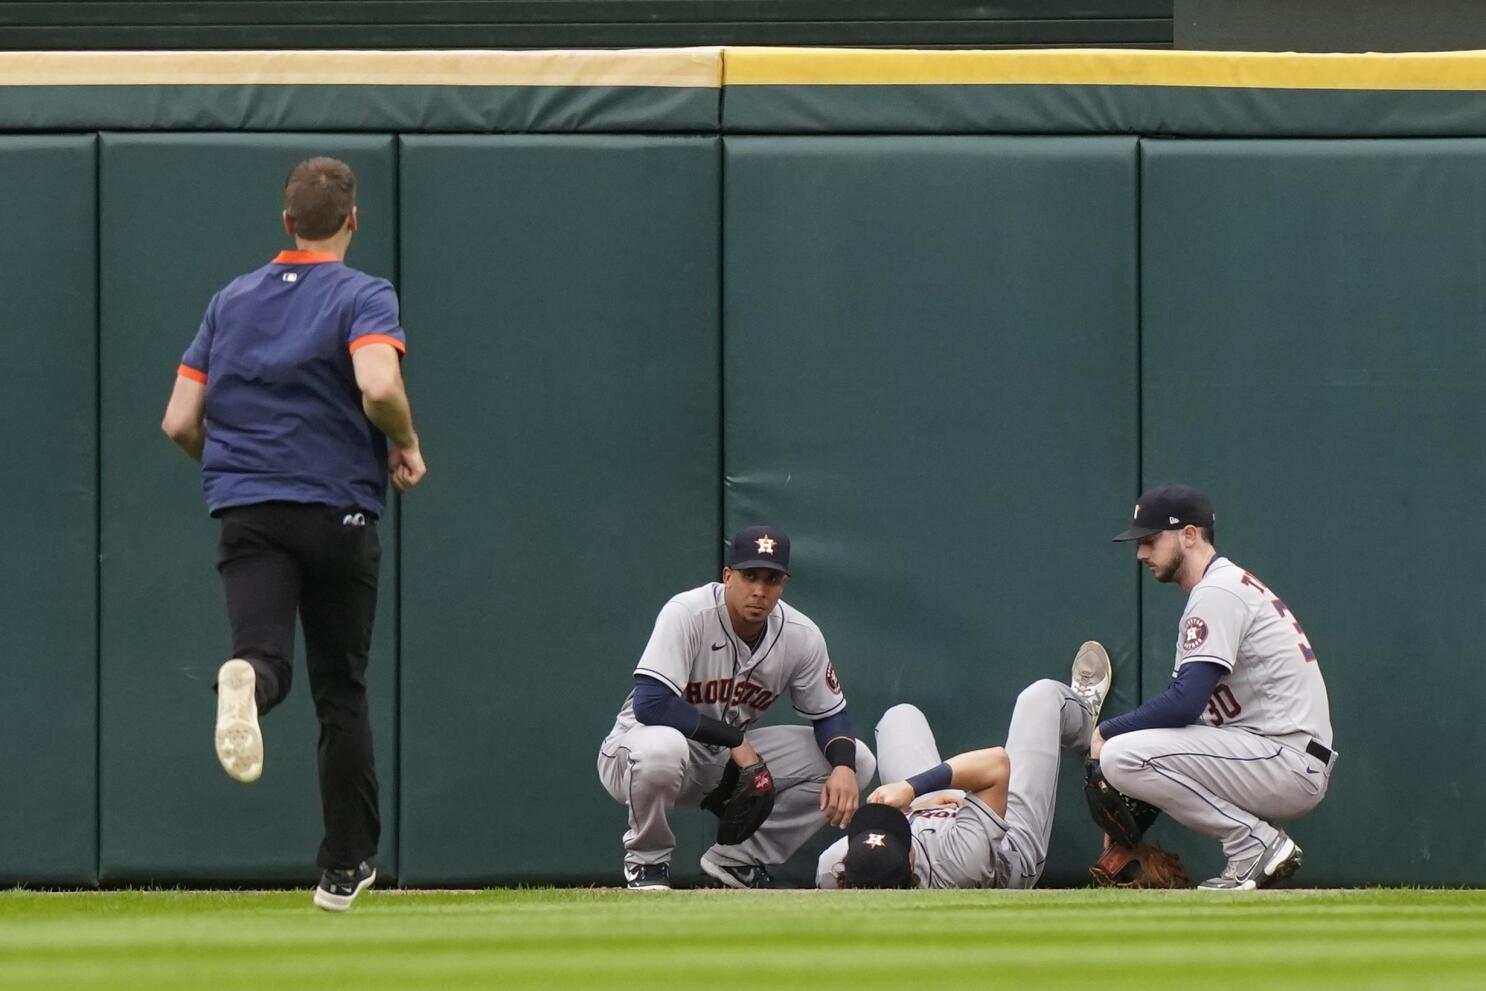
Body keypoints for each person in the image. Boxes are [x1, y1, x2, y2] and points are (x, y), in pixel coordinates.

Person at [160, 157, 426, 911]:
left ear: (286, 223)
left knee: (263, 656)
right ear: (352, 220)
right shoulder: (362, 292)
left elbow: (180, 419)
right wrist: (404, 442)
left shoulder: (230, 300)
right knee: (340, 692)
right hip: (337, 508)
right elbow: (377, 384)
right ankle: (344, 867)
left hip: (248, 508)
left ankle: (244, 677)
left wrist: (234, 467)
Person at [597, 526, 877, 890]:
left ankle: (736, 860)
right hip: (634, 755)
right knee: (663, 747)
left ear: (783, 585)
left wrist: (842, 766)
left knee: (860, 760)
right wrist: (735, 741)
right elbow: (652, 704)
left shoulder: (800, 634)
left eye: (772, 579)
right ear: (728, 576)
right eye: (750, 577)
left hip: (723, 762)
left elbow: (830, 714)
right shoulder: (688, 612)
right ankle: (648, 862)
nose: (759, 590)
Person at [1091, 483, 1335, 891]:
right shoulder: (1224, 586)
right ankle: (1254, 843)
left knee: (1119, 753)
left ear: (1189, 535)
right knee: (1129, 756)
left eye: (1151, 540)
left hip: (1285, 758)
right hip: (1276, 752)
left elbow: (1184, 705)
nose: (1141, 554)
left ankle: (1252, 845)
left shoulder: (1217, 592)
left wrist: (1105, 732)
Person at [817, 642, 1112, 889]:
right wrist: (913, 789)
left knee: (898, 717)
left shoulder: (833, 868)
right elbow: (996, 766)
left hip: (935, 812)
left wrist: (922, 806)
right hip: (1006, 838)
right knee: (1042, 697)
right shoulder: (958, 863)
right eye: (899, 836)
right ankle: (1088, 724)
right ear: (910, 862)